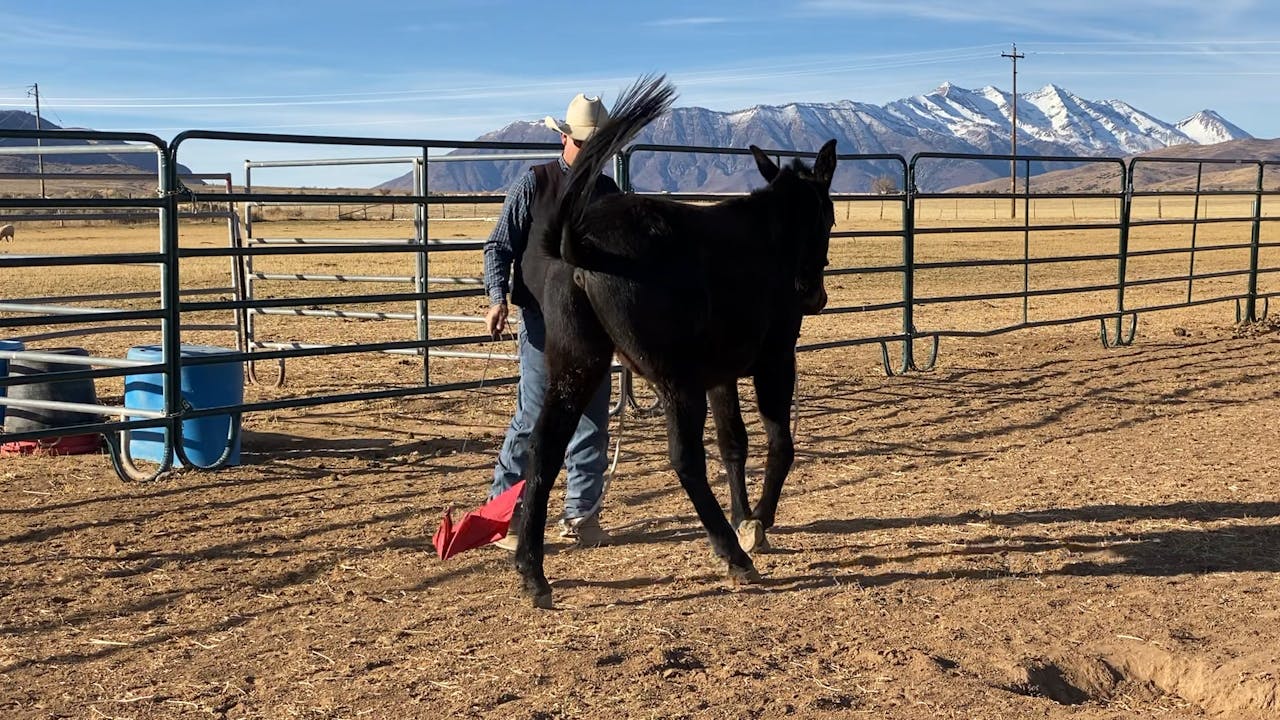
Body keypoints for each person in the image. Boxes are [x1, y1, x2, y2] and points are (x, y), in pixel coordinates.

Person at [483, 92, 618, 550]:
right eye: (583, 142)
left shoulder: (608, 194)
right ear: (564, 137)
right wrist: (497, 297)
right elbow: (498, 246)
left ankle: (582, 515)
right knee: (532, 416)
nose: (591, 152)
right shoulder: (534, 184)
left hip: (595, 323)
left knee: (592, 421)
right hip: (542, 319)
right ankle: (505, 513)